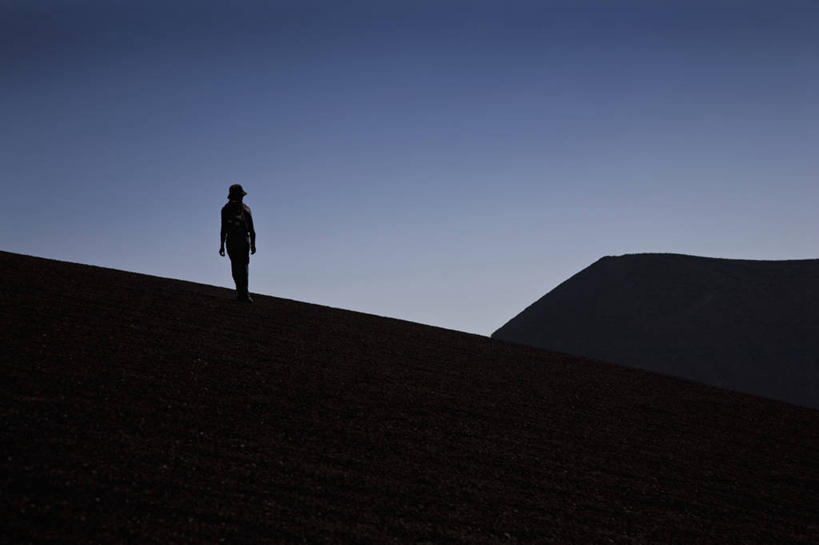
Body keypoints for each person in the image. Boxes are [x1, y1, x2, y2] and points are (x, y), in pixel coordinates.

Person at [219, 184, 256, 302]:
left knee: (241, 267)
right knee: (238, 266)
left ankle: (243, 292)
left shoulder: (244, 209)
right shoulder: (227, 209)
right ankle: (242, 292)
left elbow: (251, 229)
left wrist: (253, 243)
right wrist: (221, 245)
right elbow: (223, 228)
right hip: (235, 240)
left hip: (240, 240)